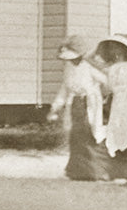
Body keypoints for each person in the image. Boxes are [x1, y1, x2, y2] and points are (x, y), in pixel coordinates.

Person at [47, 35, 112, 180]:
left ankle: (96, 171)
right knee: (76, 137)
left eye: (74, 57)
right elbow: (65, 89)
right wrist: (56, 107)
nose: (71, 61)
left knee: (91, 135)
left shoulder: (89, 67)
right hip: (75, 105)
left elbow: (107, 82)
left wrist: (101, 96)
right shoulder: (69, 68)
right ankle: (77, 171)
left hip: (89, 104)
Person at [93, 35, 127, 182]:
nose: (115, 51)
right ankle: (118, 170)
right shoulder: (112, 69)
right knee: (117, 133)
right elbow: (108, 87)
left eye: (118, 47)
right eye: (112, 48)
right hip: (117, 104)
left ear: (124, 50)